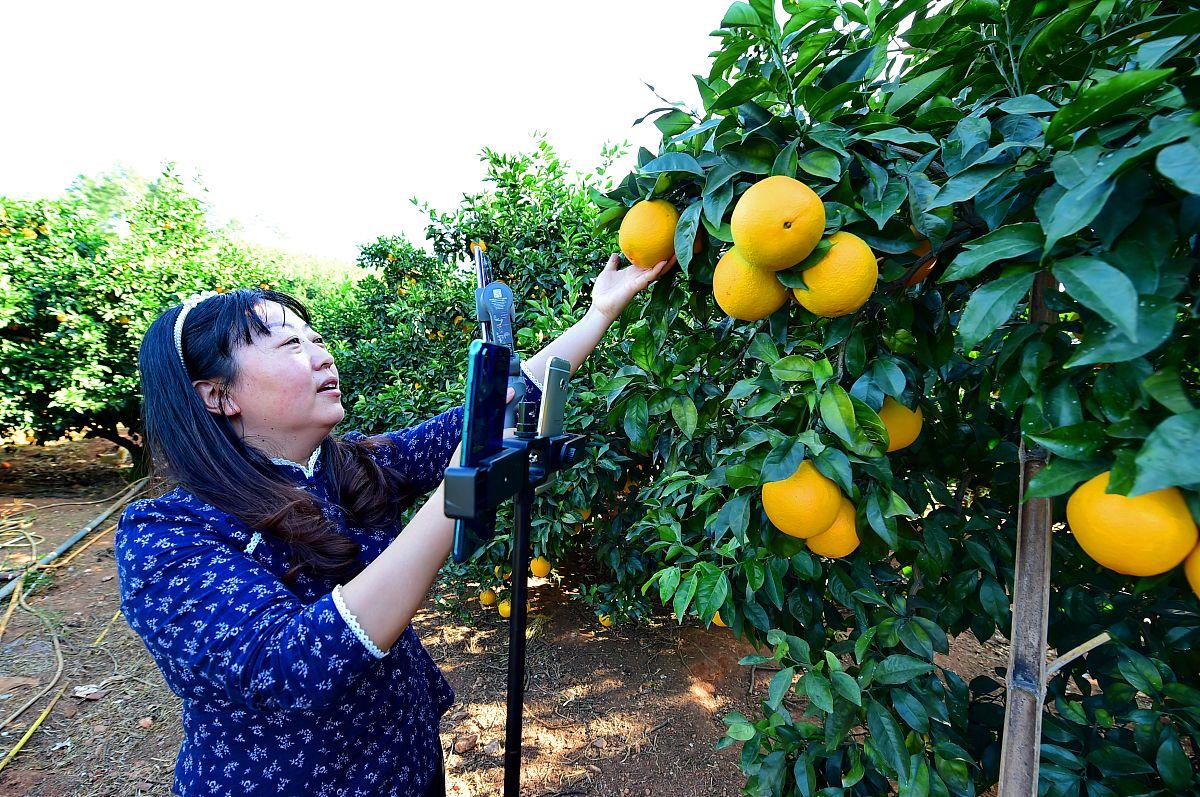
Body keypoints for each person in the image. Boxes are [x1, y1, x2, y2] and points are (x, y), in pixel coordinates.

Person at [114, 252, 676, 796]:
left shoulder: (350, 466)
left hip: (406, 766)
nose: (320, 355)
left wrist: (597, 314)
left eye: (315, 337)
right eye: (289, 344)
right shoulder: (167, 531)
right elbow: (290, 662)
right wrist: (457, 488)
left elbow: (494, 405)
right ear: (218, 395)